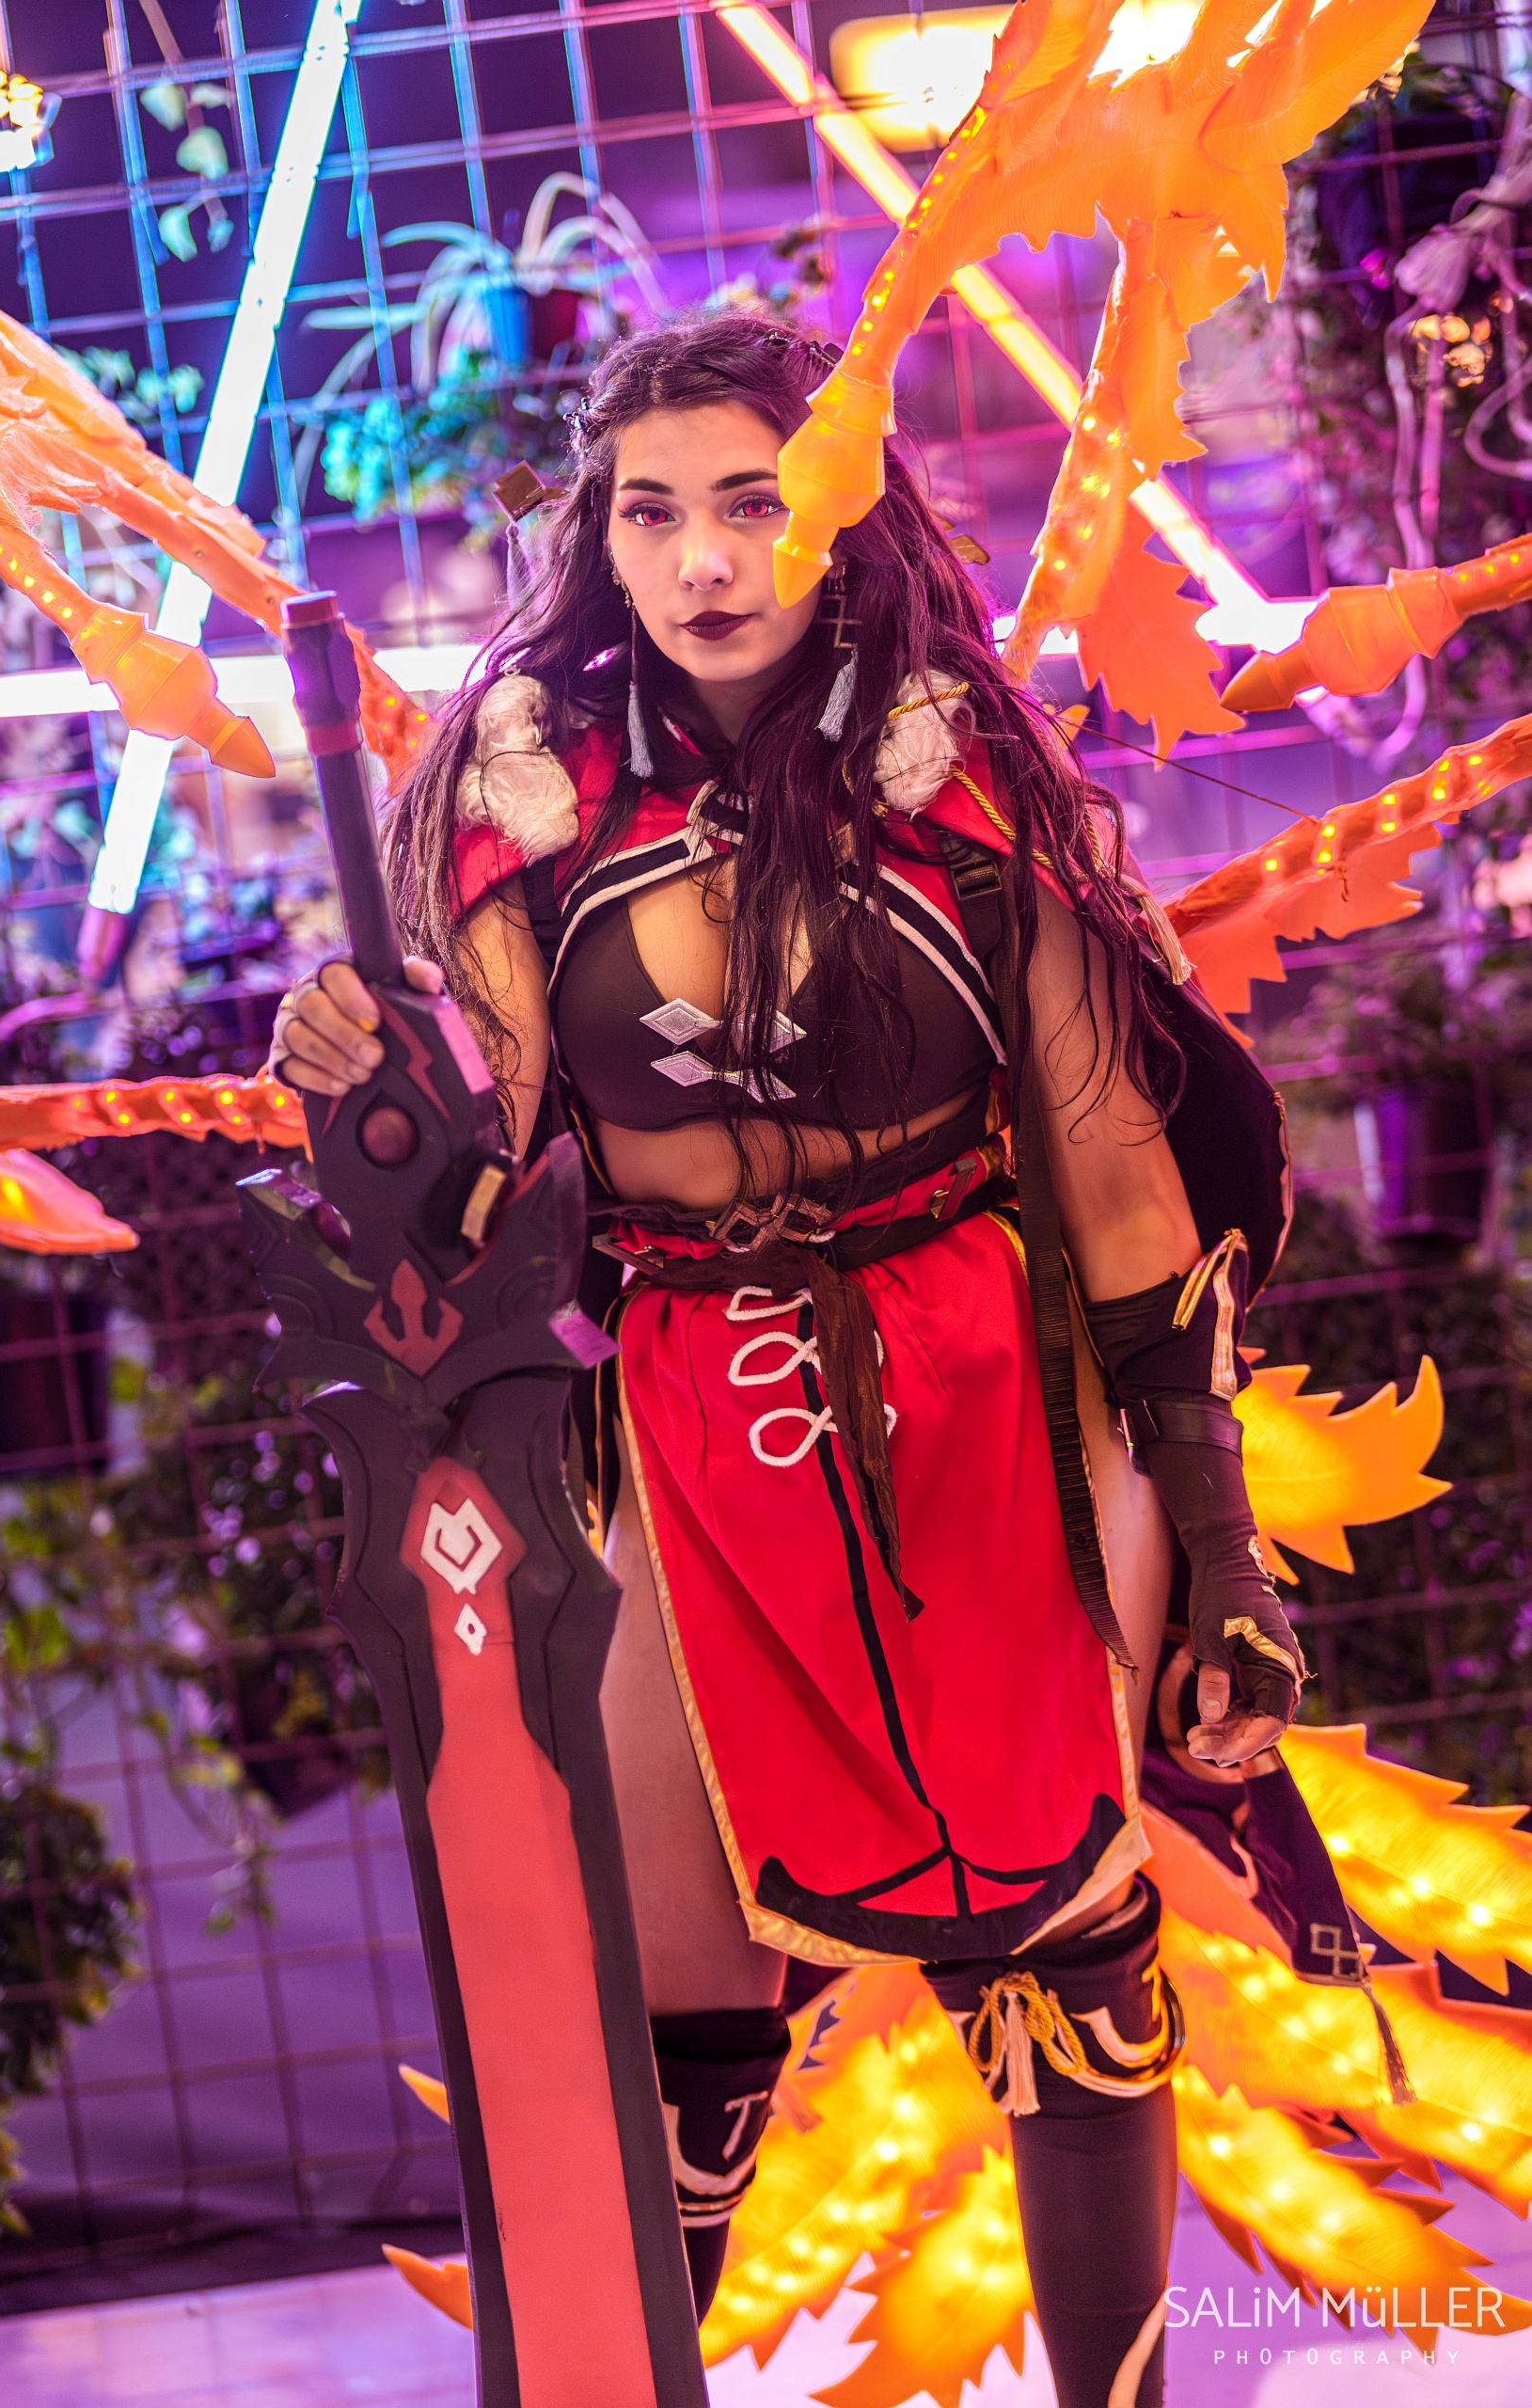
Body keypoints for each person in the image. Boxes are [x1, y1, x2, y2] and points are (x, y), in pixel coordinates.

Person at [267, 312, 1306, 2408]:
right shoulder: (519, 806)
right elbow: (487, 1175)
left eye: (750, 501)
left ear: (836, 509)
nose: (702, 559)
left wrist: (1219, 1540)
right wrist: (368, 1086)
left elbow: (1115, 1180)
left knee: (1062, 1932)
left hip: (989, 1379)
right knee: (675, 2009)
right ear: (602, 538)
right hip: (690, 1413)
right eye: (651, 513)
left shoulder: (969, 779)